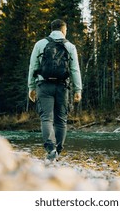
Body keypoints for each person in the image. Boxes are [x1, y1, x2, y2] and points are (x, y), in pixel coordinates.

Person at [28, 19, 82, 162]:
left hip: (43, 85)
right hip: (62, 87)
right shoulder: (70, 46)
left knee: (46, 118)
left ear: (51, 29)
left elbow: (32, 66)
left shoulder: (40, 44)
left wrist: (31, 87)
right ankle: (57, 151)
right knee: (61, 120)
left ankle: (50, 149)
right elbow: (75, 69)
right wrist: (78, 89)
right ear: (64, 30)